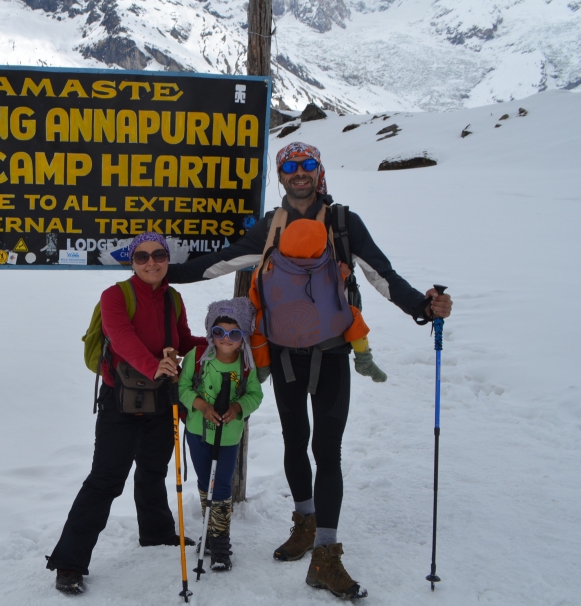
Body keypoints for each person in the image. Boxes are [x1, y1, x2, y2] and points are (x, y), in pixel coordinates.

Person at [167, 141, 453, 600]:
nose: (299, 173)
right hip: (282, 354)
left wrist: (422, 306)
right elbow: (219, 263)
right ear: (280, 177)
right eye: (290, 166)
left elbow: (382, 274)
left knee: (328, 448)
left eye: (307, 165)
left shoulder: (343, 223)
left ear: (319, 172)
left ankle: (326, 555)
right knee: (295, 441)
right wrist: (163, 272)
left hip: (333, 352)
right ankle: (305, 521)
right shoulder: (271, 226)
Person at [46, 232, 207, 595]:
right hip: (121, 398)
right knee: (106, 479)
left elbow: (182, 341)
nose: (152, 262)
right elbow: (120, 338)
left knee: (153, 469)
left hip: (161, 398)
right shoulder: (115, 296)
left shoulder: (172, 297)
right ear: (132, 261)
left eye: (159, 255)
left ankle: (156, 532)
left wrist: (221, 338)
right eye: (142, 256)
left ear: (167, 258)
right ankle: (69, 563)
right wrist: (153, 367)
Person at [177, 297, 263, 572]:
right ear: (210, 333)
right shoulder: (197, 357)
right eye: (218, 332)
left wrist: (238, 407)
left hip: (227, 436)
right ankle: (209, 531)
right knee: (205, 482)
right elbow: (183, 388)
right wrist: (200, 405)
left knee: (222, 486)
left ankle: (220, 540)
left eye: (234, 334)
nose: (225, 339)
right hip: (197, 431)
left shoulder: (246, 364)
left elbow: (255, 395)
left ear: (243, 337)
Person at [246, 218, 386, 383]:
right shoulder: (331, 268)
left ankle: (262, 368)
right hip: (324, 328)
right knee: (353, 315)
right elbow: (335, 288)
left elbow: (255, 300)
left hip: (280, 331)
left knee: (257, 324)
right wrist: (344, 274)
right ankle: (364, 359)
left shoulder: (266, 270)